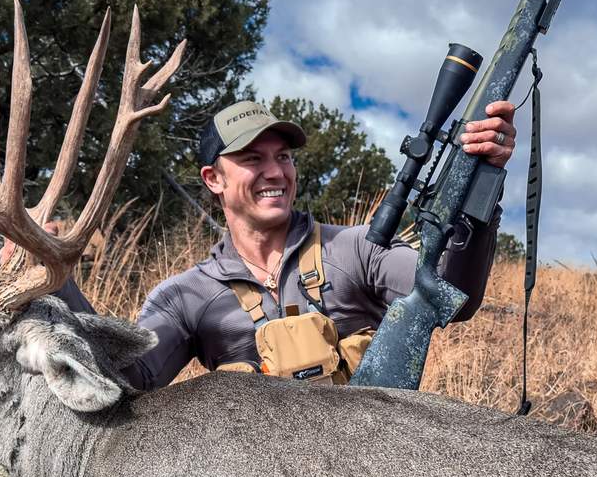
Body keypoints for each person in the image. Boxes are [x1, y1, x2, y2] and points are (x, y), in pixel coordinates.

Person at [54, 98, 516, 389]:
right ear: (213, 179)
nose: (275, 172)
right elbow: (127, 376)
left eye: (284, 157)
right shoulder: (185, 297)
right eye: (253, 159)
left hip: (378, 474)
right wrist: (58, 283)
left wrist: (481, 182)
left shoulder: (356, 249)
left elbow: (451, 298)